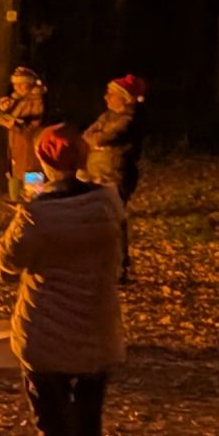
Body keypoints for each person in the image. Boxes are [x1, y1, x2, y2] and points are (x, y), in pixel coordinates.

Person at [0, 126, 127, 436]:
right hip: (96, 327)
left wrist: (25, 210)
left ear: (44, 162)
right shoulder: (107, 202)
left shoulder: (38, 214)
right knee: (88, 419)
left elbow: (8, 260)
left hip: (45, 333)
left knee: (52, 423)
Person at [83, 75, 147, 281]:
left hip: (114, 174)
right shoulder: (107, 116)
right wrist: (95, 141)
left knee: (113, 220)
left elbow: (102, 137)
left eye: (112, 94)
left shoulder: (127, 120)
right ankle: (101, 264)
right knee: (97, 220)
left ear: (125, 98)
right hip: (97, 172)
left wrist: (96, 140)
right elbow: (88, 136)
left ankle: (119, 268)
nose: (106, 97)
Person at [0, 67, 50, 202]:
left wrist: (14, 125)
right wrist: (4, 110)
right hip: (15, 157)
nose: (17, 87)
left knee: (34, 199)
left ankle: (36, 221)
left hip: (32, 157)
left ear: (30, 84)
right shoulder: (17, 101)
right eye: (15, 84)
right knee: (15, 196)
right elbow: (9, 118)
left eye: (21, 84)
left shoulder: (38, 101)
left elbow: (34, 127)